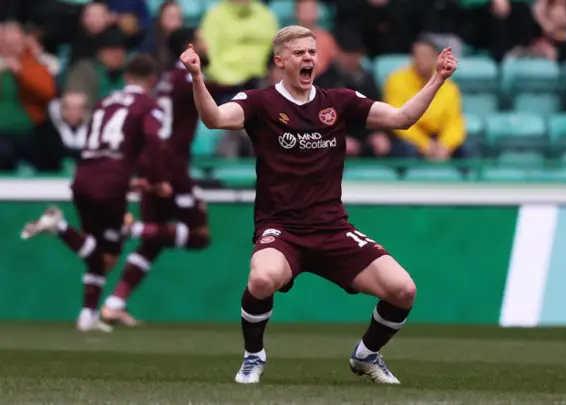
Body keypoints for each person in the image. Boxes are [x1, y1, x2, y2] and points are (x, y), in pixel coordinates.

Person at [180, 25, 457, 384]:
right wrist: (197, 76)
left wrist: (437, 78)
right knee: (262, 278)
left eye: (311, 52)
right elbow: (214, 119)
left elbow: (402, 119)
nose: (307, 58)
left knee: (403, 290)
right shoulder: (259, 102)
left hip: (332, 228)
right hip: (281, 229)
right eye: (299, 53)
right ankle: (253, 356)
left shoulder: (338, 101)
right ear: (280, 61)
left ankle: (367, 355)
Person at [20, 54, 171, 333]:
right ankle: (60, 226)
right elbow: (154, 140)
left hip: (84, 177)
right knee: (107, 256)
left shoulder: (104, 102)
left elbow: (101, 149)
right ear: (152, 81)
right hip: (110, 184)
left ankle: (86, 317)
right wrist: (157, 179)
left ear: (126, 78)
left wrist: (130, 181)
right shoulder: (148, 104)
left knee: (95, 249)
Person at [100, 27, 215, 325]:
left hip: (154, 166)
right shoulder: (187, 80)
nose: (206, 45)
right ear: (190, 47)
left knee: (155, 238)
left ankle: (114, 303)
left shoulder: (164, 81)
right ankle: (133, 229)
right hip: (172, 170)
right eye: (202, 40)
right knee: (199, 236)